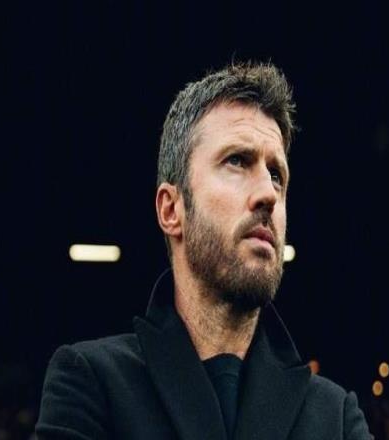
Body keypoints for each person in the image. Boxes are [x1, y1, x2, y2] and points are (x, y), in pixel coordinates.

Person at [35, 61, 372, 440]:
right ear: (171, 209)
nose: (268, 193)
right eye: (237, 161)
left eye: (277, 175)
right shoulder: (92, 384)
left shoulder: (336, 416)